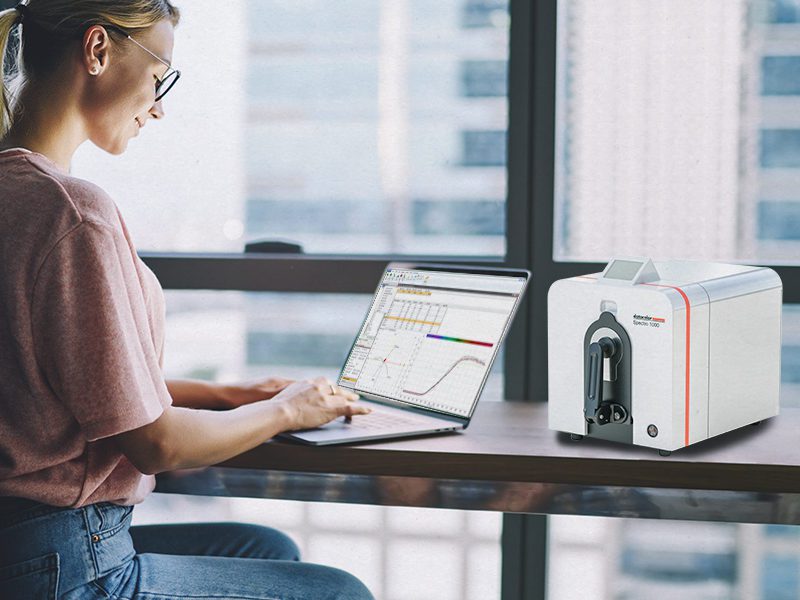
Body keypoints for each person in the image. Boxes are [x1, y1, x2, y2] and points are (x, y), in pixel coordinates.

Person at [0, 2, 374, 598]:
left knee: (265, 548)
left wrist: (230, 396)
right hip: (65, 562)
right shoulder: (71, 212)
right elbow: (156, 443)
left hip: (22, 542)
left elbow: (66, 388)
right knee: (338, 591)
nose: (159, 104)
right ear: (97, 50)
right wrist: (289, 410)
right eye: (158, 74)